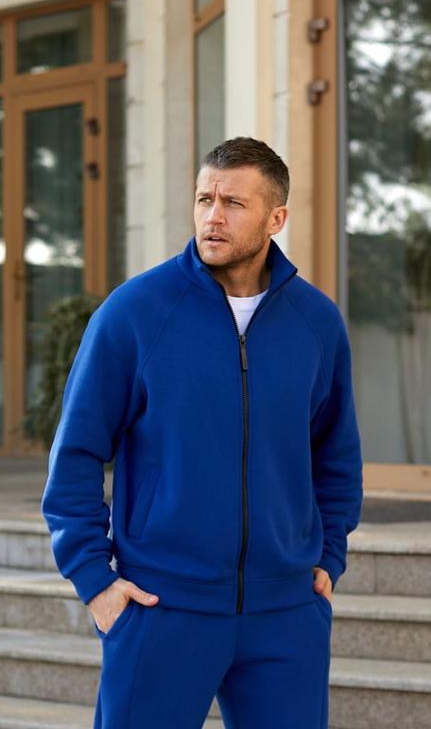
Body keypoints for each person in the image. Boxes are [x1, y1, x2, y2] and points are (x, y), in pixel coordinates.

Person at [41, 136, 363, 729]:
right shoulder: (135, 313)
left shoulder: (317, 323)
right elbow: (77, 453)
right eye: (204, 199)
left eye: (234, 203)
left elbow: (335, 455)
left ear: (276, 218)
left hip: (286, 612)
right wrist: (95, 581)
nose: (213, 216)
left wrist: (328, 558)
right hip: (162, 605)